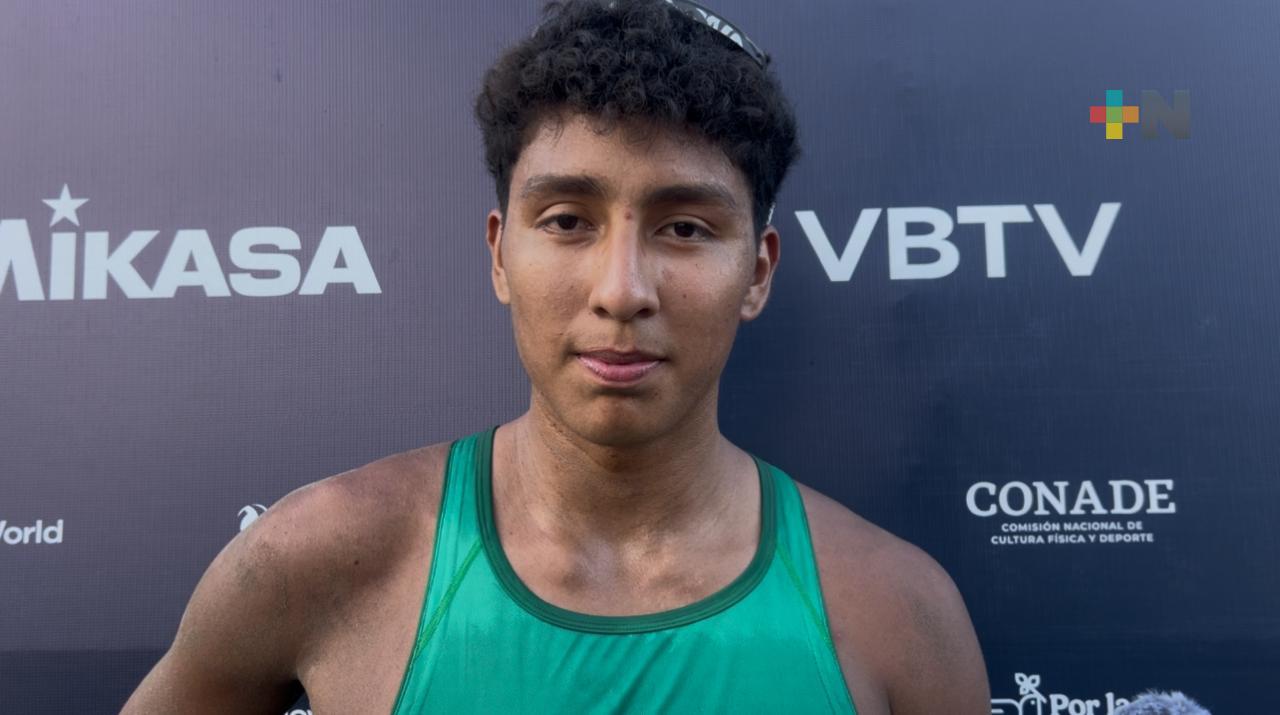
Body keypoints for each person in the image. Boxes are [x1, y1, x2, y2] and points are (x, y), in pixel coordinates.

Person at [122, 1, 989, 713]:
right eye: (568, 220)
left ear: (757, 272)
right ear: (500, 254)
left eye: (686, 228)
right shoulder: (324, 557)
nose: (622, 289)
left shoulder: (898, 615)